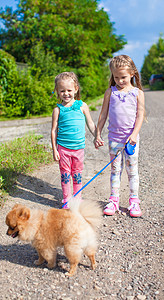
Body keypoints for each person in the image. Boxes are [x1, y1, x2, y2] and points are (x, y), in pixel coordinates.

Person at [95, 55, 145, 217]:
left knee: (132, 170)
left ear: (132, 73)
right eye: (116, 77)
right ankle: (114, 199)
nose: (120, 80)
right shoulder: (110, 92)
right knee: (115, 170)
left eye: (123, 77)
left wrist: (134, 134)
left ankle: (134, 201)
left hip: (131, 140)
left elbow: (140, 116)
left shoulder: (137, 93)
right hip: (114, 139)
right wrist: (97, 133)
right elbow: (103, 115)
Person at [51, 72, 96, 208]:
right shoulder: (57, 110)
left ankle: (78, 198)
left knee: (77, 174)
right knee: (65, 174)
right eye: (62, 91)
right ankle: (67, 199)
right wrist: (54, 150)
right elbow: (53, 131)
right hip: (63, 148)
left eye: (69, 90)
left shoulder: (83, 106)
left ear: (76, 89)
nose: (66, 94)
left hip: (78, 148)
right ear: (58, 92)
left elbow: (91, 124)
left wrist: (97, 136)